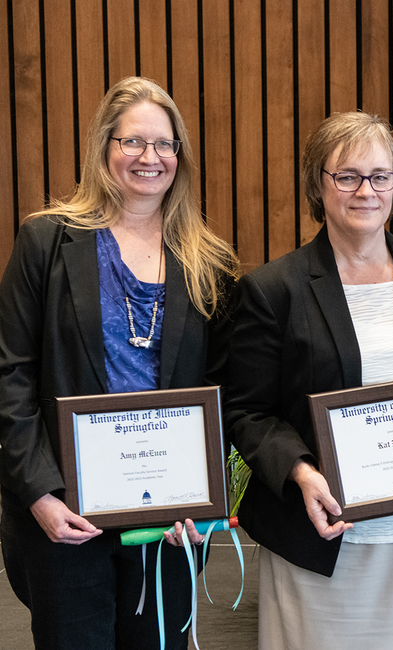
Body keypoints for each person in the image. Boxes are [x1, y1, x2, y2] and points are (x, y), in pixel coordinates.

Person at [224, 111, 393, 650]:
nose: (366, 191)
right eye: (346, 176)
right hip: (324, 541)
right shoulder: (274, 289)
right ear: (317, 185)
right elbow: (247, 412)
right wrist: (301, 472)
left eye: (380, 175)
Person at [0, 77, 240, 649]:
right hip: (66, 513)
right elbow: (10, 375)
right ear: (104, 148)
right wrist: (39, 494)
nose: (149, 158)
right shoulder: (45, 243)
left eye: (164, 145)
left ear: (179, 157)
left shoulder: (210, 262)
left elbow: (229, 391)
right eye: (133, 142)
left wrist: (205, 494)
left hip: (170, 523)